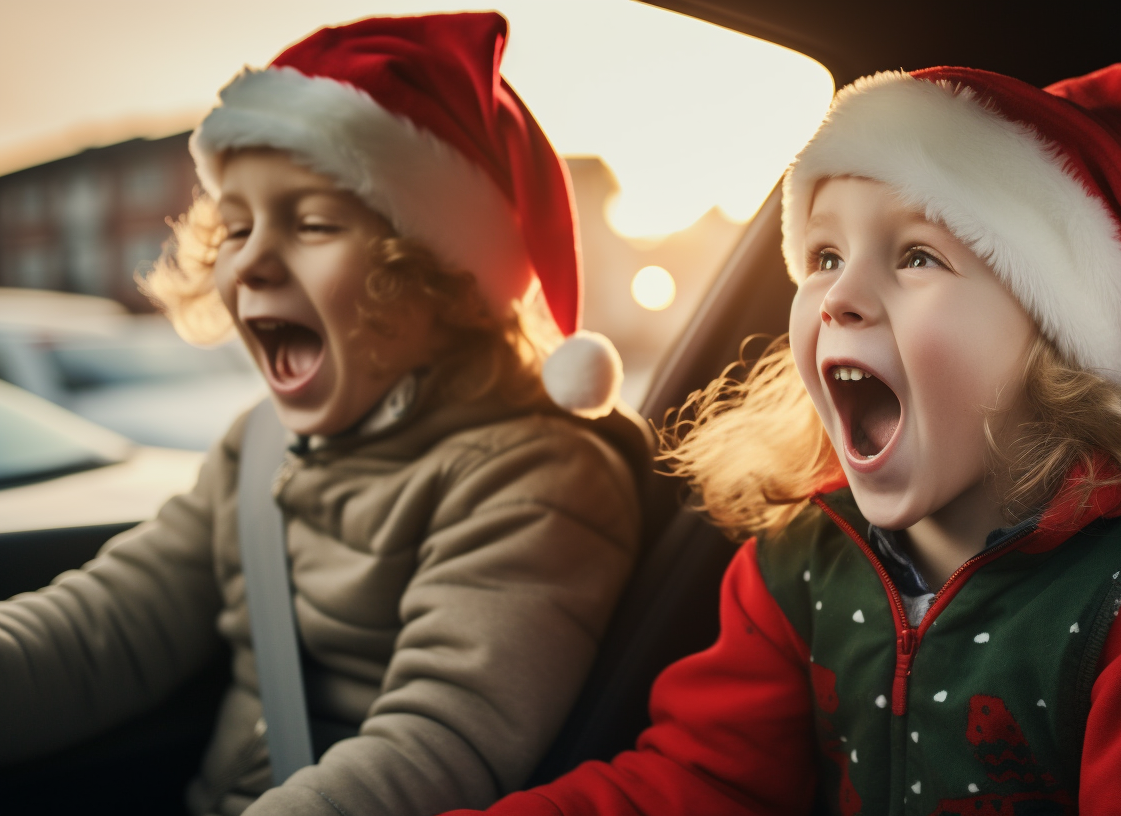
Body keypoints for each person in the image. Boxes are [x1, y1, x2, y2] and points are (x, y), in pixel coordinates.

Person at [467, 64, 1121, 816]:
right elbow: (704, 782)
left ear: (1058, 349)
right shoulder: (796, 564)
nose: (839, 296)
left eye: (919, 256)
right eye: (824, 255)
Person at [0, 13, 643, 816]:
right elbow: (108, 625)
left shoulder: (533, 478)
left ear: (440, 276)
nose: (251, 260)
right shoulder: (259, 445)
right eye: (234, 226)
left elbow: (439, 744)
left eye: (311, 224)